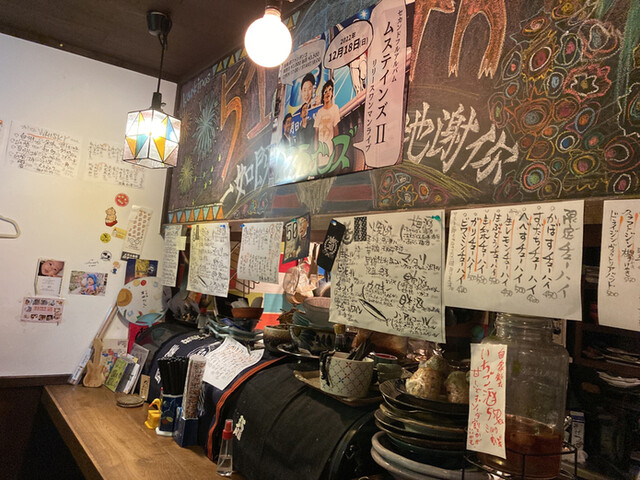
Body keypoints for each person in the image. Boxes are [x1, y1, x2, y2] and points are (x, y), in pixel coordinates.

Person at [314, 79, 340, 165]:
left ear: (332, 93)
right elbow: (316, 134)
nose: (328, 93)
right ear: (322, 95)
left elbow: (336, 130)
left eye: (330, 90)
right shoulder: (319, 112)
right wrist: (315, 154)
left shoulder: (335, 108)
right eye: (325, 91)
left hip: (331, 151)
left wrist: (337, 153)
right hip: (320, 152)